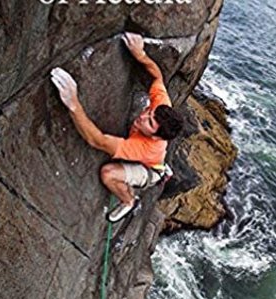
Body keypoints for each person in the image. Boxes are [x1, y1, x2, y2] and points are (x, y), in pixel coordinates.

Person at [51, 32, 184, 222]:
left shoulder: (145, 147)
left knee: (108, 174)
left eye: (150, 122)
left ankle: (128, 201)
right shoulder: (161, 108)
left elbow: (96, 139)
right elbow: (157, 77)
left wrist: (73, 103)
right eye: (149, 112)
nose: (144, 115)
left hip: (149, 168)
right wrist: (140, 54)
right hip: (151, 155)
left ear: (156, 137)